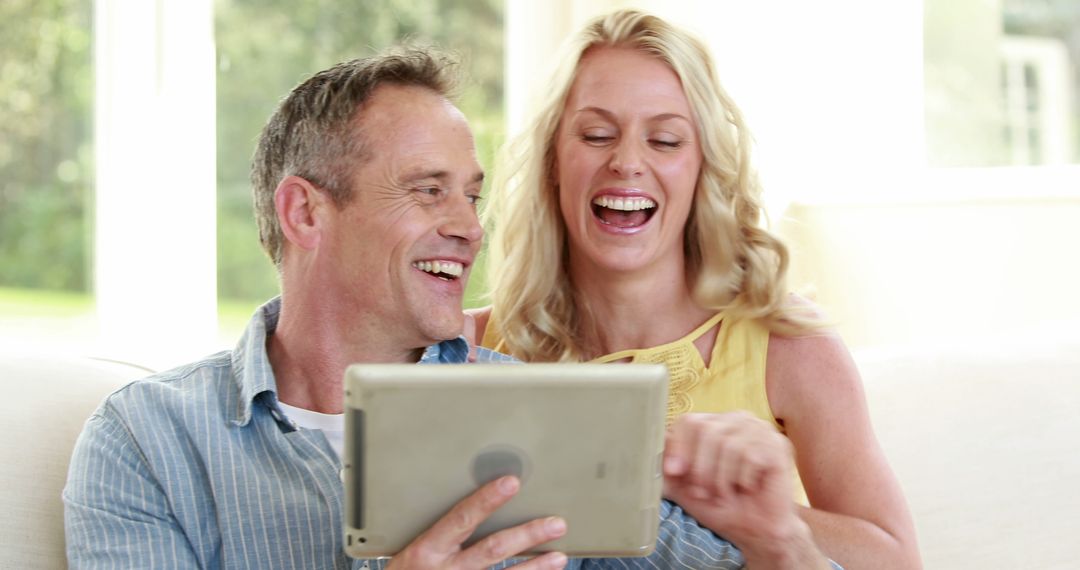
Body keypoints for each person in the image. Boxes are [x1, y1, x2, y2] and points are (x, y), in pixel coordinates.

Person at [63, 48, 836, 569]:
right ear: (304, 213)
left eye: (470, 195)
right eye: (429, 190)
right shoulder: (149, 442)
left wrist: (776, 540)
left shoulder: (545, 410)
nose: (469, 227)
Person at [470, 9, 921, 570]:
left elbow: (896, 559)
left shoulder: (787, 345)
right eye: (596, 135)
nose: (627, 162)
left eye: (664, 140)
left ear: (701, 166)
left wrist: (737, 507)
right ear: (553, 159)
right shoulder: (471, 349)